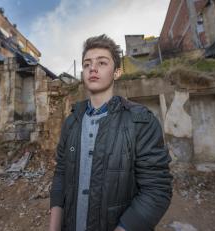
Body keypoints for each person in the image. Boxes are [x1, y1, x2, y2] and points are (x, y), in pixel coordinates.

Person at [49, 34, 172, 231]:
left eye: (102, 63)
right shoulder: (71, 122)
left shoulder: (140, 121)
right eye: (87, 64)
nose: (93, 68)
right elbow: (60, 175)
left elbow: (157, 190)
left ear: (116, 72)